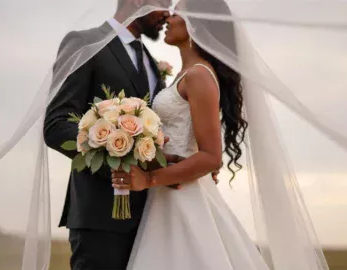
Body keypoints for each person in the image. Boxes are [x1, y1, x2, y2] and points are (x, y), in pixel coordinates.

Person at [111, 0, 271, 269]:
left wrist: (149, 178)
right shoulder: (184, 75)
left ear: (196, 23)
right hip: (166, 194)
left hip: (182, 195)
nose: (168, 18)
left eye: (177, 13)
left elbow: (211, 157)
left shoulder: (199, 76)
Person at [43, 1, 172, 269]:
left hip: (152, 220)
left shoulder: (150, 61)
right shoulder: (84, 43)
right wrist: (118, 154)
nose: (167, 13)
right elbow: (56, 125)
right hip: (99, 217)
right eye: (163, 2)